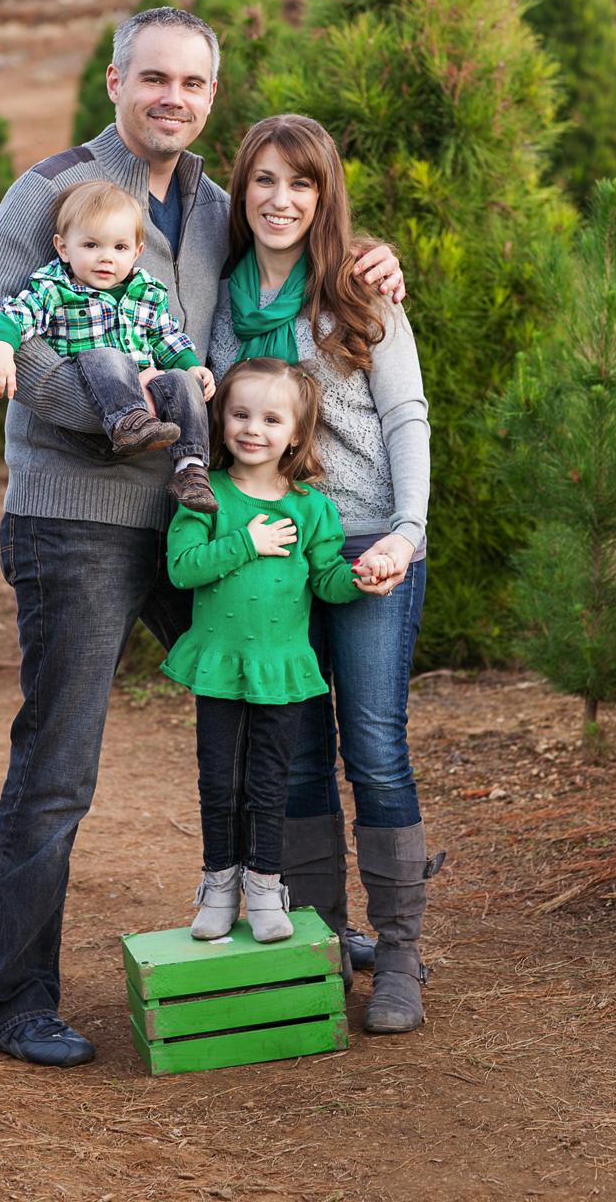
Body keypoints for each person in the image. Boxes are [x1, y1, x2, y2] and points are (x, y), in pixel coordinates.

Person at [0, 6, 405, 1068]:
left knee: (276, 696)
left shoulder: (212, 203)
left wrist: (370, 256)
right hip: (77, 520)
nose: (173, 98)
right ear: (115, 82)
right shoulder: (54, 189)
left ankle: (309, 934)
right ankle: (12, 1001)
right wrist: (121, 423)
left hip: (200, 515)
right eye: (152, 78)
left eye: (193, 84)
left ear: (210, 94)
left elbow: (295, 248)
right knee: (59, 765)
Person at [208, 113, 441, 1036]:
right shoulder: (216, 303)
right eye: (263, 181)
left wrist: (409, 534)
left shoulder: (359, 293)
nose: (280, 200)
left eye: (300, 184)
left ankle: (399, 952)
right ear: (243, 191)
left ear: (325, 196)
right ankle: (318, 940)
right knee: (294, 754)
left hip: (370, 546)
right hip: (275, 562)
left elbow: (406, 419)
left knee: (374, 747)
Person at [161, 359, 396, 943]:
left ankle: (266, 886)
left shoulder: (311, 507)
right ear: (221, 420)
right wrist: (249, 540)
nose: (252, 429)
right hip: (220, 663)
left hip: (282, 666)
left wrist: (359, 577)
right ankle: (219, 887)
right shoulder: (204, 494)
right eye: (240, 414)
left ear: (296, 433)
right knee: (220, 782)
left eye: (271, 418)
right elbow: (182, 569)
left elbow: (324, 580)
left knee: (270, 784)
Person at [0, 180, 218, 513]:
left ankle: (190, 468)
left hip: (147, 380)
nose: (106, 258)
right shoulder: (56, 289)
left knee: (183, 383)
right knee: (108, 356)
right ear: (63, 248)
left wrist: (193, 366)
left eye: (119, 248)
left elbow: (166, 338)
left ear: (136, 251)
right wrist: (2, 352)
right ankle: (129, 422)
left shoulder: (146, 291)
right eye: (91, 245)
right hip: (98, 384)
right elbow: (16, 315)